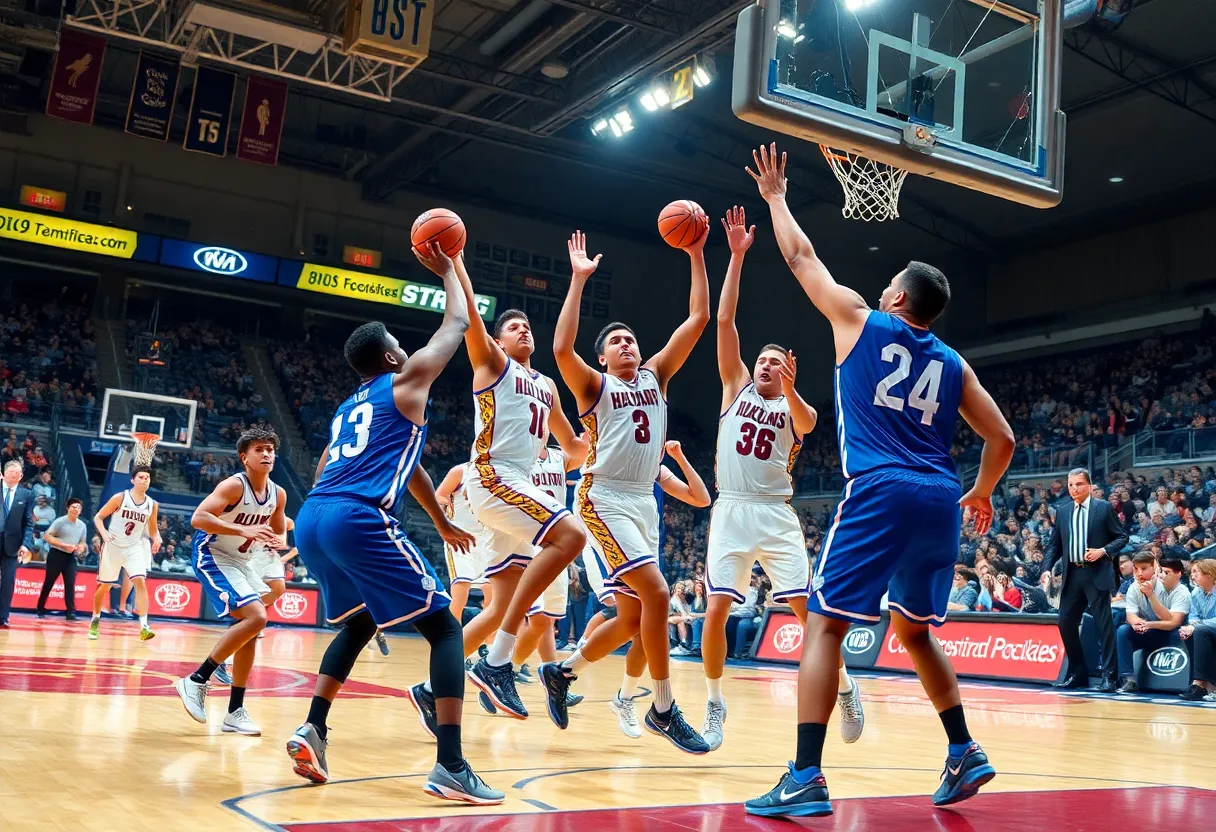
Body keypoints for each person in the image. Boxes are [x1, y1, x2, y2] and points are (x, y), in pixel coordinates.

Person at [742, 143, 1015, 818]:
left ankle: (805, 774)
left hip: (883, 488)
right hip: (939, 498)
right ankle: (963, 749)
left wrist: (776, 199)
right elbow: (1003, 439)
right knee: (917, 631)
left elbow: (802, 259)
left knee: (825, 629)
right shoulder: (954, 363)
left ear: (895, 297)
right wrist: (979, 492)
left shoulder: (859, 321)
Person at [287, 245, 503, 805]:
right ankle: (451, 765)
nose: (408, 351)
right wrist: (451, 265)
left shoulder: (347, 408)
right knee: (446, 629)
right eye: (399, 348)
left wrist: (441, 522)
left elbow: (409, 472)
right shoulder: (405, 382)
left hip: (314, 517)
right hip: (357, 517)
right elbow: (457, 320)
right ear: (389, 358)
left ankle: (313, 728)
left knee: (357, 626)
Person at [544, 225, 712, 754]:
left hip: (644, 503)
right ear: (604, 359)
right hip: (603, 497)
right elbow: (561, 346)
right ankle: (662, 707)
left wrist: (697, 253)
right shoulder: (596, 386)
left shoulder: (657, 375)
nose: (628, 343)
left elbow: (699, 319)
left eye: (631, 338)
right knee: (659, 593)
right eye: (617, 341)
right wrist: (577, 281)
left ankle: (562, 672)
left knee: (634, 617)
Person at [701, 205, 861, 752]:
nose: (766, 366)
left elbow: (809, 422)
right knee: (717, 606)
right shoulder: (734, 388)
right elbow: (724, 323)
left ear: (788, 369)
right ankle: (715, 703)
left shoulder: (796, 407)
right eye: (762, 361)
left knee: (806, 611)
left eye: (776, 361)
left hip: (775, 512)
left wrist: (793, 387)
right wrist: (738, 257)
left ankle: (844, 687)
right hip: (731, 507)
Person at [416, 248, 588, 723]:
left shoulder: (547, 386)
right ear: (498, 340)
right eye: (514, 327)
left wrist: (606, 439)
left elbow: (571, 446)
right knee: (572, 535)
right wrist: (456, 264)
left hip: (518, 487)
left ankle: (431, 688)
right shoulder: (492, 365)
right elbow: (471, 314)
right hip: (493, 475)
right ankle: (496, 666)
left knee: (499, 607)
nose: (524, 330)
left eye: (528, 325)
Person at [175, 428, 286, 736]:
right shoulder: (234, 485)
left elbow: (279, 529)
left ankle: (235, 712)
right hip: (212, 554)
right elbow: (198, 518)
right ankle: (197, 679)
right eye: (259, 450)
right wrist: (243, 531)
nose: (266, 454)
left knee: (252, 629)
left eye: (270, 450)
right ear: (244, 458)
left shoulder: (278, 494)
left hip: (242, 562)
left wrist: (277, 540)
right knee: (257, 617)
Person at [1043, 469, 1128, 693]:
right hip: (1072, 575)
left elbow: (1122, 537)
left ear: (1089, 486)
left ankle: (1110, 677)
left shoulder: (1103, 508)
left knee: (1104, 626)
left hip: (1096, 573)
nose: (1074, 488)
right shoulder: (1062, 511)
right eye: (1071, 485)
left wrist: (1103, 551)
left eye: (1079, 484)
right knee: (1065, 622)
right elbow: (1054, 545)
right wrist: (1046, 569)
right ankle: (1078, 673)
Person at [89, 465, 161, 641]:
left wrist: (156, 538)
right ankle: (95, 619)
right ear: (133, 480)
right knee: (104, 587)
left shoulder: (152, 504)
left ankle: (144, 626)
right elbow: (98, 517)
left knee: (140, 582)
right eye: (141, 477)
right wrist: (104, 534)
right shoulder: (120, 498)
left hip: (134, 547)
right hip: (113, 546)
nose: (144, 480)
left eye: (147, 478)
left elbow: (152, 529)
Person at [1115, 554, 1190, 693]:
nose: (1139, 573)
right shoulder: (1133, 587)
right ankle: (1128, 678)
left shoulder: (1170, 586)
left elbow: (1172, 622)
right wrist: (1136, 622)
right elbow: (1130, 614)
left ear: (1155, 567)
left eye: (1144, 569)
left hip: (1172, 632)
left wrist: (1150, 595)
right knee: (1123, 630)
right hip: (1150, 630)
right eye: (1136, 569)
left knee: (1178, 631)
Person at [434, 462, 489, 624]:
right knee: (461, 591)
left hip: (487, 538)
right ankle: (452, 639)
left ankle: (488, 643)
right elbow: (439, 495)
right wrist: (446, 506)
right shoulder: (460, 470)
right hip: (460, 536)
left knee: (492, 594)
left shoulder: (497, 473)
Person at [36, 497, 89, 620]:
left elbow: (83, 542)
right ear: (67, 508)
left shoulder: (82, 525)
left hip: (70, 558)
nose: (76, 509)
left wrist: (81, 548)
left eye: (79, 507)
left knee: (70, 583)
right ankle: (40, 608)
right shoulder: (60, 522)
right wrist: (64, 545)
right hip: (56, 555)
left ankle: (71, 612)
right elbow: (47, 536)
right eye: (73, 507)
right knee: (49, 582)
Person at [0, 460, 35, 627]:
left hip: (12, 545)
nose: (16, 474)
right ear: (4, 472)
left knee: (8, 581)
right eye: (13, 471)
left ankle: (3, 616)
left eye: (19, 472)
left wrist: (26, 544)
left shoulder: (26, 495)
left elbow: (28, 523)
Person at [1179, 558, 1216, 701]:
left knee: (1198, 630)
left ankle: (1199, 683)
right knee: (1187, 633)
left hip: (1208, 628)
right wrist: (1191, 626)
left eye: (1196, 572)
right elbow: (1194, 615)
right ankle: (1204, 684)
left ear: (1210, 574)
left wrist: (1195, 626)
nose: (1192, 576)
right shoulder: (1196, 593)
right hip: (1207, 630)